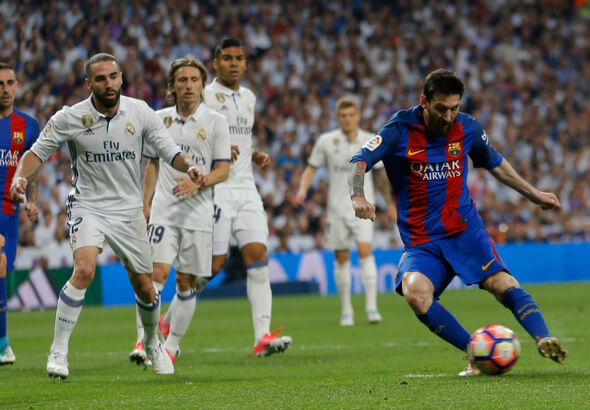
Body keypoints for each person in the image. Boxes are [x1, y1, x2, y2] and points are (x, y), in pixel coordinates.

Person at [349, 68, 568, 376]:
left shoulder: (467, 128)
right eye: (441, 109)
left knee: (501, 282)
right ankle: (476, 352)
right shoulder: (399, 129)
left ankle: (543, 337)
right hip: (423, 241)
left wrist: (533, 194)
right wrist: (358, 196)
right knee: (415, 293)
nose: (448, 116)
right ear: (424, 101)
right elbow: (359, 160)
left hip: (464, 230)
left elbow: (494, 162)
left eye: (454, 108)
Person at [10, 53, 205, 379]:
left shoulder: (140, 112)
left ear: (121, 78)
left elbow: (170, 151)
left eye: (114, 77)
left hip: (128, 210)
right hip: (88, 205)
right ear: (89, 83)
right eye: (101, 79)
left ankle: (152, 343)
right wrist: (19, 177)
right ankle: (58, 351)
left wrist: (192, 167)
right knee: (84, 269)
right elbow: (36, 152)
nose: (109, 83)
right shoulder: (71, 117)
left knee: (145, 287)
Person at [193, 37, 291, 356]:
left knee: (258, 258)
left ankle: (262, 337)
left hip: (246, 187)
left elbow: (240, 138)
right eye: (227, 58)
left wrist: (254, 153)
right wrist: (217, 149)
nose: (233, 63)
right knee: (212, 267)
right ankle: (167, 322)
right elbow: (189, 136)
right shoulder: (204, 96)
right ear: (215, 63)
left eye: (239, 58)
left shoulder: (249, 97)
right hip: (217, 187)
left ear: (246, 64)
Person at [129, 55, 231, 364]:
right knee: (154, 276)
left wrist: (197, 184)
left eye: (194, 80)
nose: (188, 85)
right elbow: (152, 164)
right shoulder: (158, 119)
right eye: (182, 80)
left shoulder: (216, 122)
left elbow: (223, 170)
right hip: (164, 210)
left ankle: (171, 347)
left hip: (199, 213)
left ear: (203, 85)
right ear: (172, 85)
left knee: (186, 283)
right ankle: (144, 341)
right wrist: (146, 203)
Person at [296, 96, 394, 326]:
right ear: (337, 117)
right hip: (337, 209)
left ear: (358, 116)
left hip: (364, 207)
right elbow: (311, 168)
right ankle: (347, 311)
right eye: (343, 115)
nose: (347, 119)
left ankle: (371, 308)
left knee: (365, 252)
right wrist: (302, 189)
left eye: (351, 115)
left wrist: (390, 204)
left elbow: (380, 174)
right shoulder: (326, 141)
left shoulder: (370, 140)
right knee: (341, 257)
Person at [0, 62, 40, 366]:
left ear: (17, 86)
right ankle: (3, 343)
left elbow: (32, 171)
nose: (4, 89)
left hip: (9, 212)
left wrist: (31, 201)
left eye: (9, 83)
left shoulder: (29, 126)